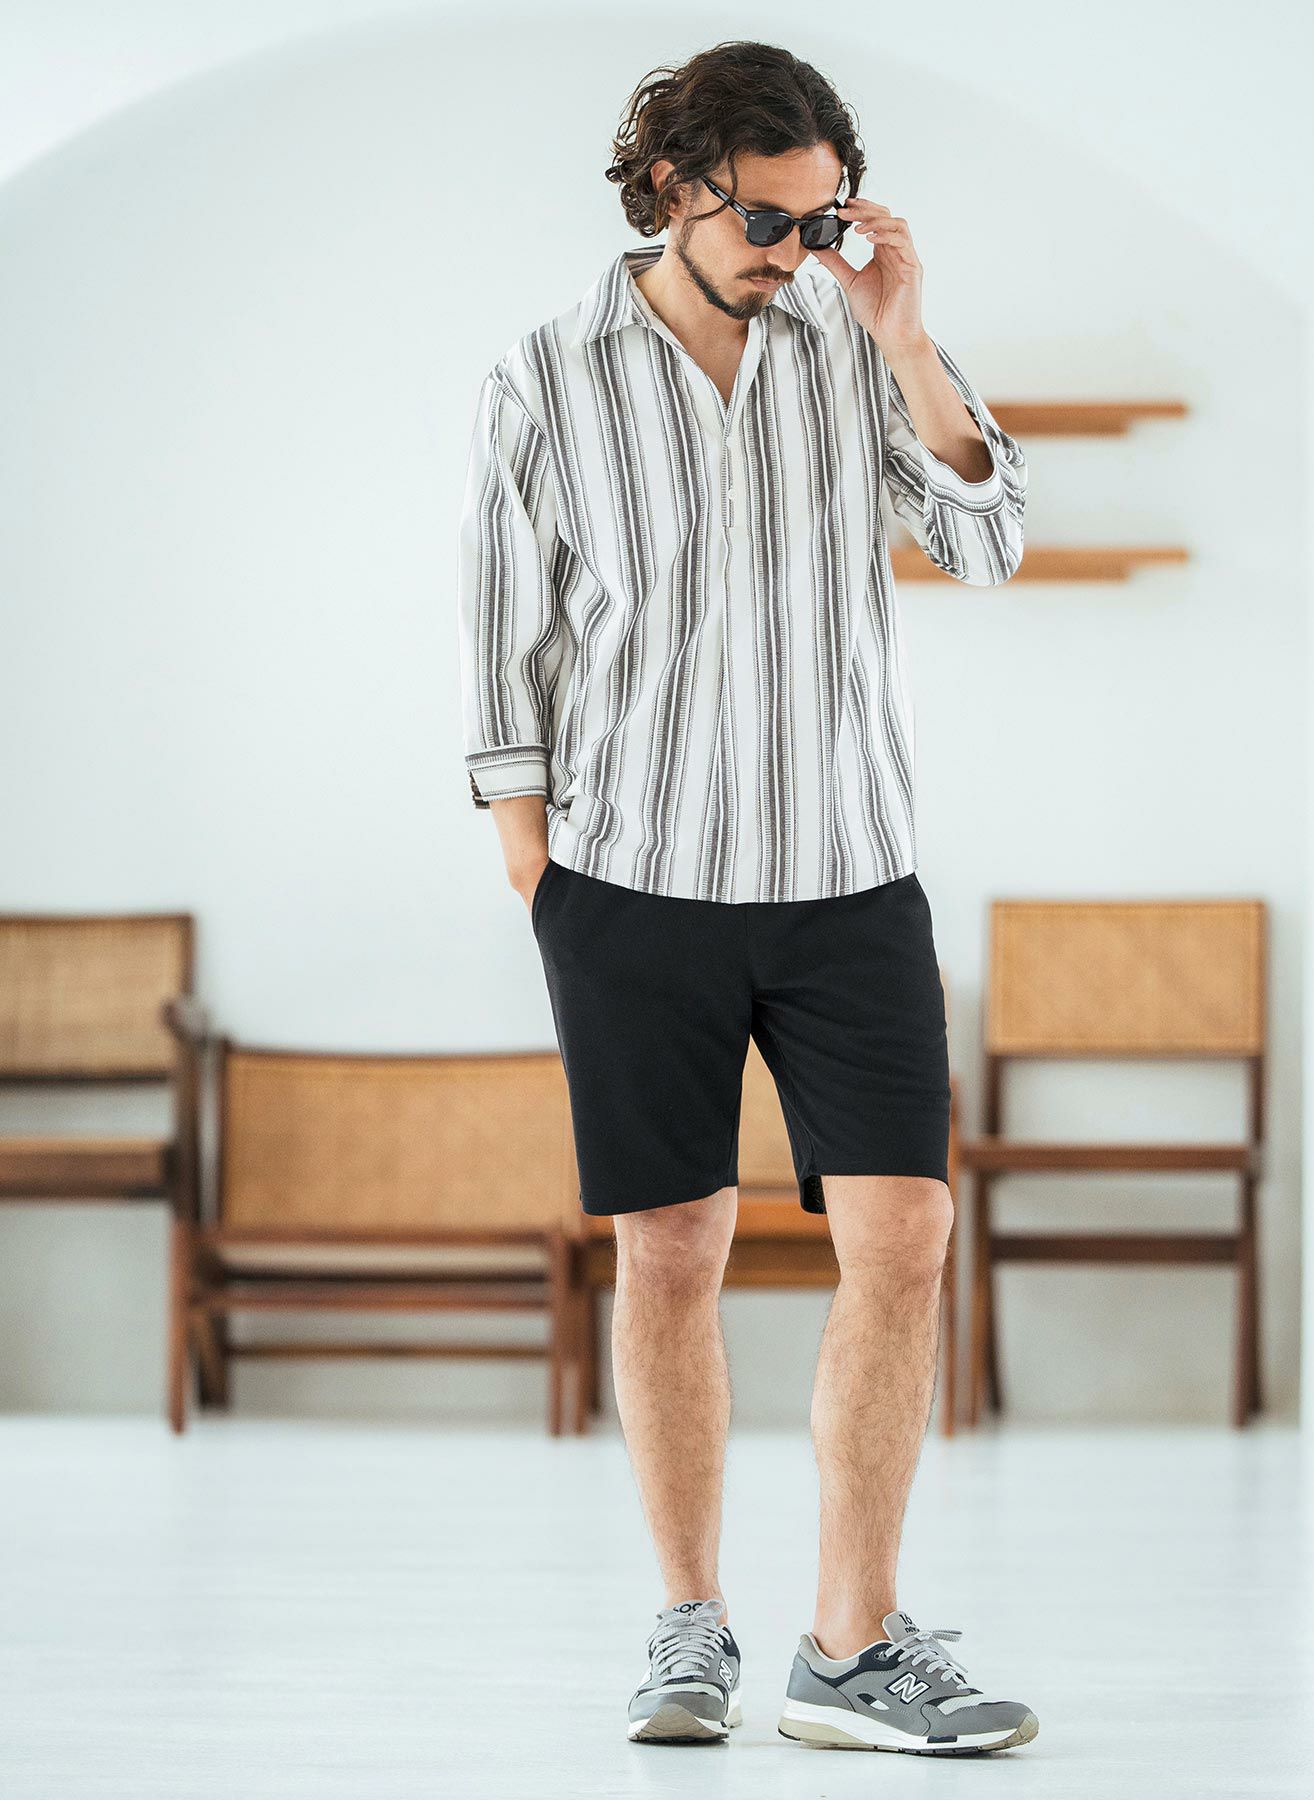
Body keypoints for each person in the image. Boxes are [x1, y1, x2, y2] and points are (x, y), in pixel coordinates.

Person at [455, 40, 1035, 1758]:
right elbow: (505, 641)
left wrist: (907, 333)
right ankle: (688, 1621)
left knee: (905, 1237)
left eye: (821, 217)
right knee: (671, 1250)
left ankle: (849, 1646)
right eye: (766, 220)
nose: (795, 249)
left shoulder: (852, 347)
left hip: (849, 874)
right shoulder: (545, 376)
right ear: (669, 189)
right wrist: (536, 865)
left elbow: (990, 541)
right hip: (633, 877)